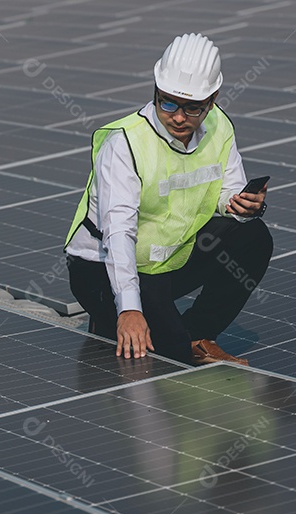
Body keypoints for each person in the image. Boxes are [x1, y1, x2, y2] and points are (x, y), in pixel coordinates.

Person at [65, 32, 272, 366]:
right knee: (168, 360)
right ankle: (113, 314)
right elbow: (119, 231)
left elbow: (224, 196)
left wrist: (245, 207)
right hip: (102, 269)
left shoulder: (219, 128)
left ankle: (197, 333)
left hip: (166, 262)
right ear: (156, 89)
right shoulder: (125, 144)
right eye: (168, 102)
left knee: (253, 236)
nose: (178, 117)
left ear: (213, 99)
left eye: (192, 108)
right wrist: (129, 308)